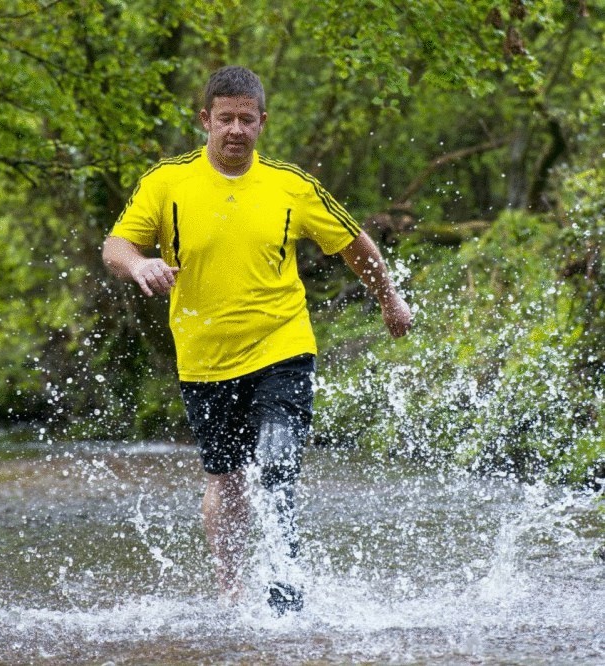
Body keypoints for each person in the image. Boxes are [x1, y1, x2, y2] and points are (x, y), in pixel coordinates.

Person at [102, 66, 411, 612]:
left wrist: (389, 298)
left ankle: (286, 584)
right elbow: (115, 247)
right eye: (226, 119)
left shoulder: (292, 186)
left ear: (263, 122)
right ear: (206, 121)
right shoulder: (167, 181)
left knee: (277, 458)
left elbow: (356, 244)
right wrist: (140, 263)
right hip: (203, 357)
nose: (236, 130)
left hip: (282, 344)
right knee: (228, 479)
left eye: (247, 119)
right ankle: (232, 589)